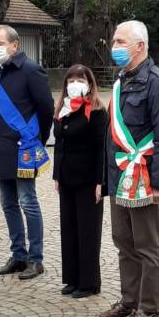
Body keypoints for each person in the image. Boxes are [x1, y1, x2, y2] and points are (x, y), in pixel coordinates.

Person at [99, 20, 159, 317]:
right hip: (120, 177)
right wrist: (106, 180)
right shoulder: (122, 82)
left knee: (147, 245)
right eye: (114, 41)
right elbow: (112, 137)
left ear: (140, 46)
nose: (114, 47)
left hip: (143, 179)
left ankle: (149, 307)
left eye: (120, 42)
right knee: (124, 242)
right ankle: (129, 300)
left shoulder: (158, 84)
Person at [0, 24, 54, 281]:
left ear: (15, 45)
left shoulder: (31, 70)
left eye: (1, 43)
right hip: (1, 148)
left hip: (23, 148)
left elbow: (46, 108)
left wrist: (38, 139)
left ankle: (35, 259)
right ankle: (18, 255)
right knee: (7, 203)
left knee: (28, 202)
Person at [53, 64, 108, 299]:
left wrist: (100, 181)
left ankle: (88, 282)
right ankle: (72, 278)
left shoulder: (96, 112)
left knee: (87, 230)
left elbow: (101, 149)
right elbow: (59, 145)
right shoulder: (63, 109)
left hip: (88, 179)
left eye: (80, 79)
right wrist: (57, 175)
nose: (75, 84)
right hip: (66, 177)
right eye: (71, 79)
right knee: (69, 228)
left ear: (89, 84)